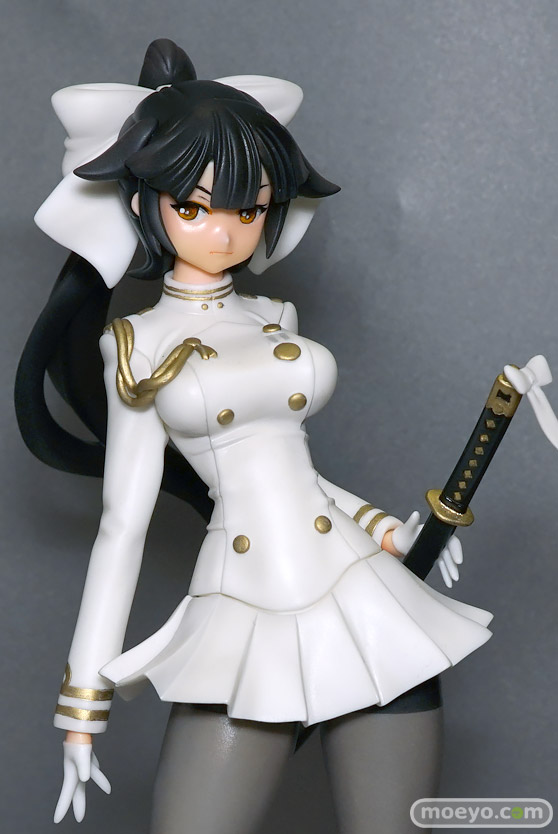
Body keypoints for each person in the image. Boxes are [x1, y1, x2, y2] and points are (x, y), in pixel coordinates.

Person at [26, 39, 493, 834]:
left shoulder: (276, 317)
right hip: (245, 609)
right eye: (195, 207)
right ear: (143, 203)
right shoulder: (134, 345)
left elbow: (289, 471)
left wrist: (385, 527)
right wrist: (83, 705)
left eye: (248, 210)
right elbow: (122, 527)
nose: (225, 233)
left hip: (364, 596)